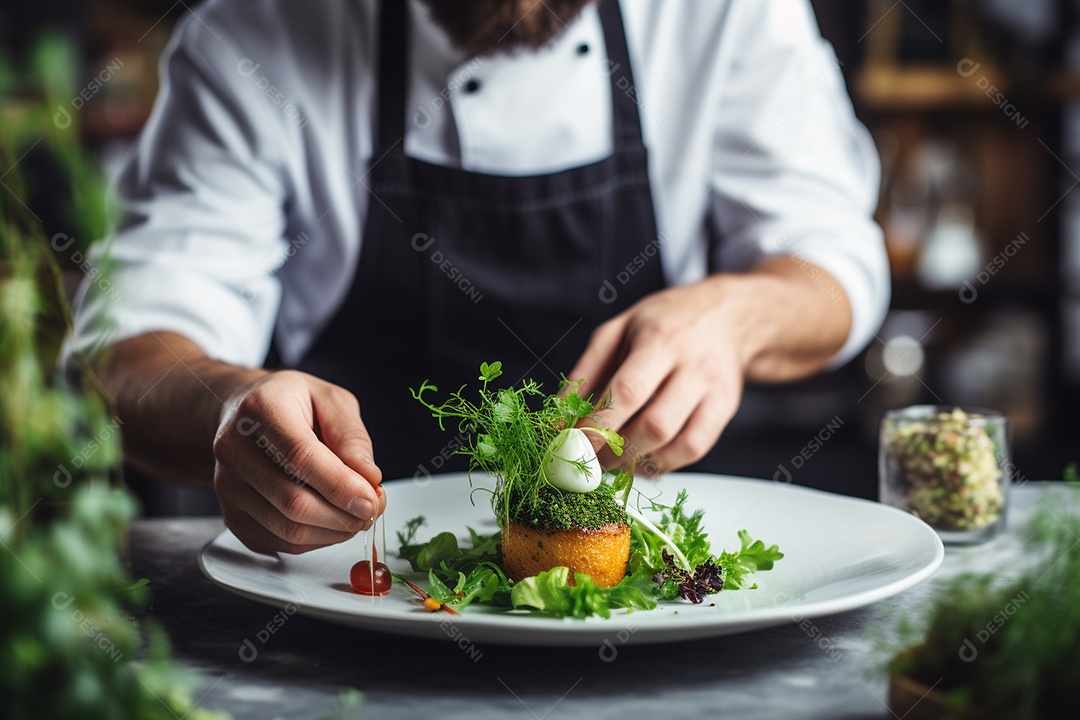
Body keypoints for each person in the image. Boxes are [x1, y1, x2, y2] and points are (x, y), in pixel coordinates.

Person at [70, 0, 889, 555]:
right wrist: (229, 408)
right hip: (359, 586)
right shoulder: (254, 33)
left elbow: (835, 265)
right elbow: (131, 356)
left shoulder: (722, 14)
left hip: (656, 605)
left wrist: (735, 316)